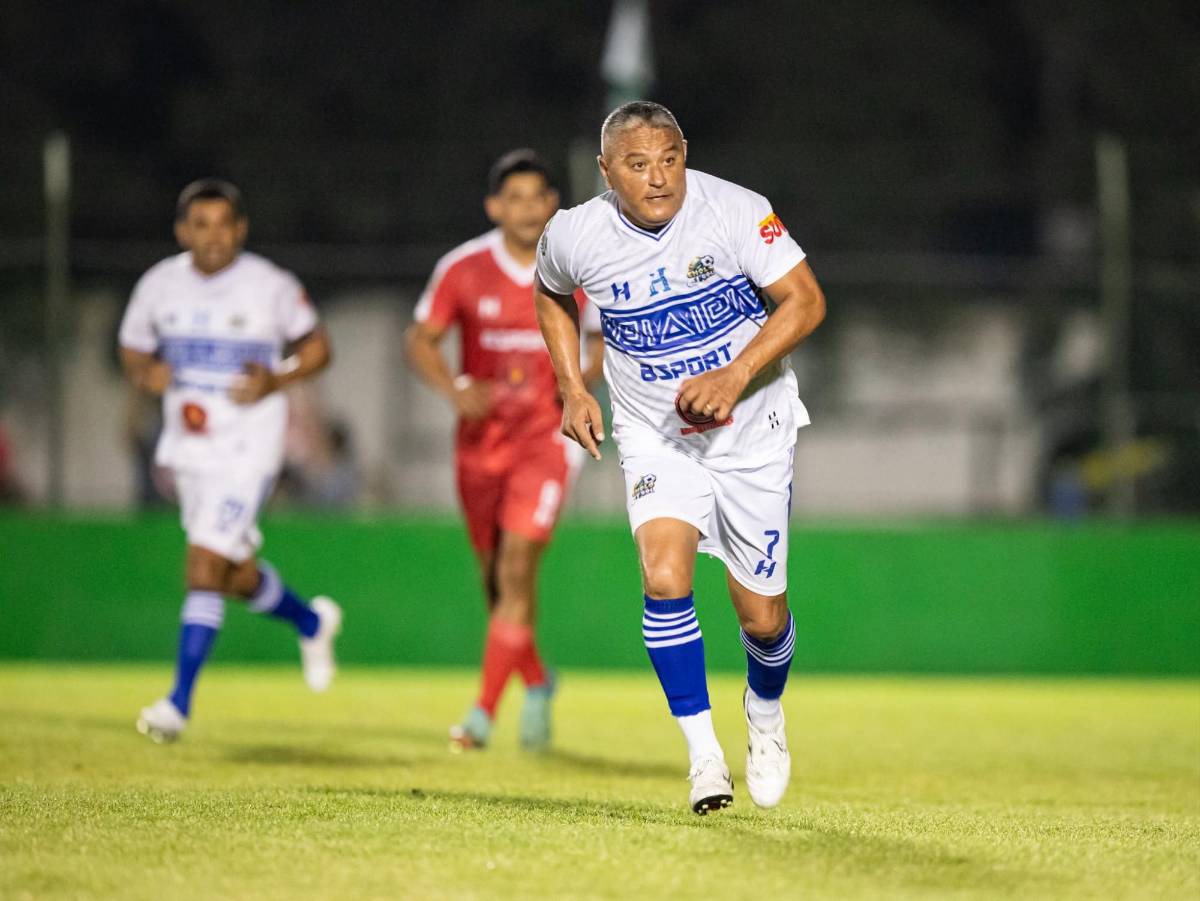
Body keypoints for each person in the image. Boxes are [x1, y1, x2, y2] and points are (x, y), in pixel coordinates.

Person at [534, 102, 827, 813]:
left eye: (669, 158)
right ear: (607, 172)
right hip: (655, 430)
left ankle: (764, 714)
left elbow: (806, 302)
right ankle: (704, 758)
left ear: (685, 152)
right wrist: (572, 387)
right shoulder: (575, 233)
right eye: (637, 164)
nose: (659, 177)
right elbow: (549, 295)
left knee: (761, 618)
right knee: (664, 577)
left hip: (751, 428)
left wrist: (734, 375)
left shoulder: (733, 211)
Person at [118, 178, 342, 743]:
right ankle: (311, 622)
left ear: (240, 229)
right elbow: (133, 347)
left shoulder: (270, 286)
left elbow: (318, 349)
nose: (213, 236)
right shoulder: (158, 286)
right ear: (181, 231)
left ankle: (177, 704)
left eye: (224, 224)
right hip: (189, 450)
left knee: (201, 566)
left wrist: (278, 377)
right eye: (201, 224)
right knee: (232, 574)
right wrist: (147, 373)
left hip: (249, 448)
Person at [405, 150, 602, 751]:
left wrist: (575, 385)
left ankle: (481, 715)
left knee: (518, 566)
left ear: (552, 204)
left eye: (536, 198)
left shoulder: (576, 267)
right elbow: (422, 339)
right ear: (495, 207)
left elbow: (601, 346)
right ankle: (538, 682)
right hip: (479, 444)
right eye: (511, 199)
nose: (524, 209)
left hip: (546, 438)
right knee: (495, 581)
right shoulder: (463, 269)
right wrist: (453, 387)